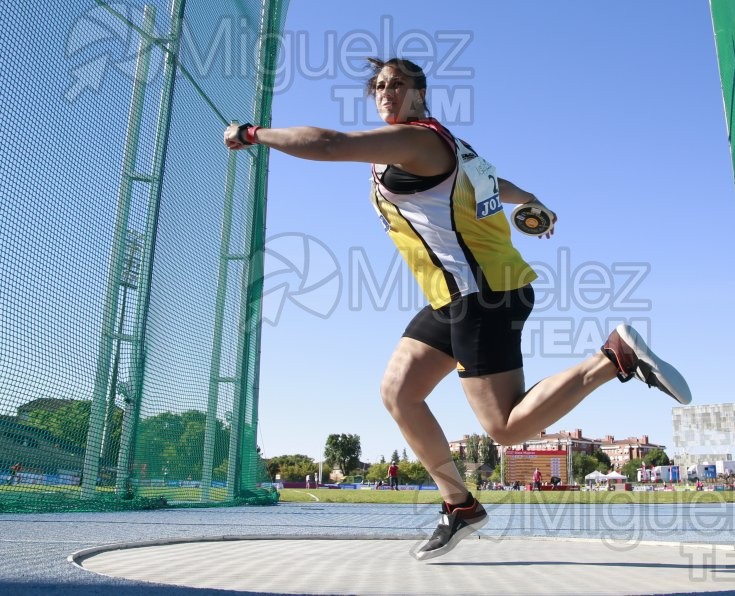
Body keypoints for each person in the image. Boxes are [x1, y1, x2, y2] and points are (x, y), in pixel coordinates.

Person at [224, 57, 692, 561]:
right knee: (399, 392)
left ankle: (612, 358)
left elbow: (332, 145)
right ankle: (460, 504)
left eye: (398, 84)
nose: (387, 92)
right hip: (454, 296)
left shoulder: (417, 141)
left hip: (481, 294)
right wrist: (529, 197)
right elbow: (494, 184)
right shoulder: (450, 145)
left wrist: (253, 133)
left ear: (421, 93)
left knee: (505, 428)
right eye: (379, 86)